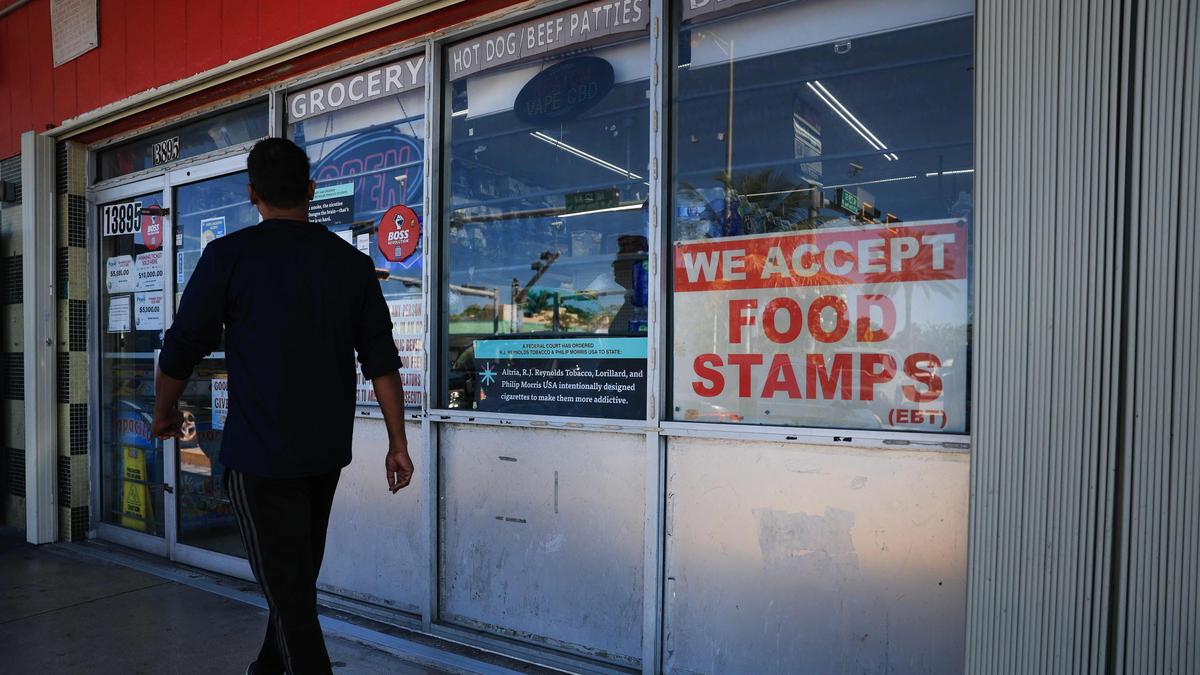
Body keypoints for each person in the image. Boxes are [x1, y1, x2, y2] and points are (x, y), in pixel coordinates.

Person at [150, 138, 414, 675]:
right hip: (323, 457)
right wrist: (397, 443)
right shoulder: (351, 265)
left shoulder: (230, 256)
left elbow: (181, 347)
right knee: (292, 588)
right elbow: (382, 362)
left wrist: (163, 412)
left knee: (291, 599)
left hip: (260, 462)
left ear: (253, 195)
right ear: (311, 191)